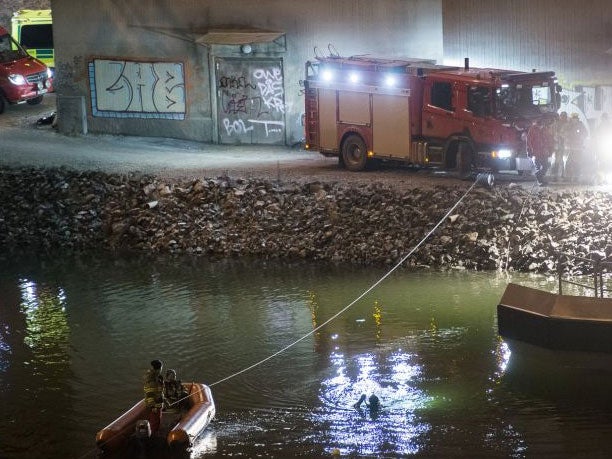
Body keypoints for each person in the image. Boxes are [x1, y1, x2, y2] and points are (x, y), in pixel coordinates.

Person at [526, 119, 553, 185]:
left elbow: (549, 139)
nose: (541, 126)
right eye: (540, 124)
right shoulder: (532, 129)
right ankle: (540, 181)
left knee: (546, 166)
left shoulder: (545, 129)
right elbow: (528, 140)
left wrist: (550, 149)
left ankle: (539, 176)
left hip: (544, 151)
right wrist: (529, 150)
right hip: (536, 152)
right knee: (538, 167)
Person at [564, 112, 588, 182]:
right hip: (570, 147)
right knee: (569, 162)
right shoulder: (569, 125)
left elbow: (585, 133)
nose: (574, 120)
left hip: (578, 147)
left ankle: (577, 177)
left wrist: (581, 137)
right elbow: (564, 133)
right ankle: (568, 177)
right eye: (573, 118)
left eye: (575, 118)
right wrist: (567, 137)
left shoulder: (580, 125)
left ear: (577, 119)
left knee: (577, 162)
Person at [143, 359, 165, 434]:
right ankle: (153, 436)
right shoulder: (152, 379)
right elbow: (150, 393)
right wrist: (153, 407)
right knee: (154, 422)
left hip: (158, 403)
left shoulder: (156, 377)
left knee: (157, 421)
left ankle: (155, 433)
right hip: (155, 405)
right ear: (159, 368)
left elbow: (158, 391)